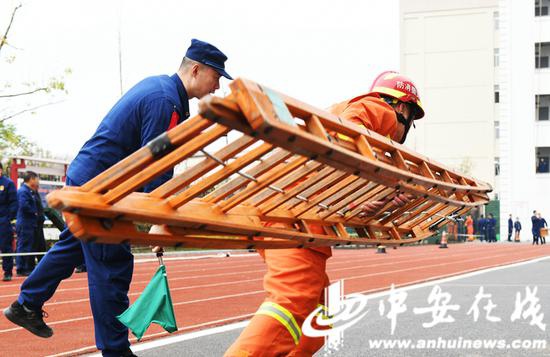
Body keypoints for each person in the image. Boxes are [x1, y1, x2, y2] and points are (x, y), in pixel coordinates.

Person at [3, 39, 232, 357]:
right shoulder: (166, 101)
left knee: (73, 245)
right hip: (101, 188)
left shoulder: (164, 93)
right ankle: (115, 352)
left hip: (92, 178)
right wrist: (157, 220)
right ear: (196, 69)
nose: (218, 84)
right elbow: (156, 163)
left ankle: (26, 304)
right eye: (217, 76)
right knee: (112, 264)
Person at [224, 71, 424, 356]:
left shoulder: (365, 132)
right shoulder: (381, 111)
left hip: (298, 212)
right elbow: (345, 136)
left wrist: (377, 196)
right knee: (291, 305)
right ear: (403, 107)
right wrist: (380, 179)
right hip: (295, 215)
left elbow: (343, 170)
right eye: (412, 121)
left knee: (318, 315)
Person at [15, 171, 40, 276]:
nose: (38, 181)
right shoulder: (23, 191)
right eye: (37, 178)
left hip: (30, 223)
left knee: (29, 245)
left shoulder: (30, 191)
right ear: (31, 179)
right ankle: (21, 268)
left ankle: (27, 266)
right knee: (24, 245)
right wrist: (35, 211)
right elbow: (24, 205)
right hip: (25, 223)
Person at [0, 163, 18, 282]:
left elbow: (13, 203)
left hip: (3, 220)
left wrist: (9, 218)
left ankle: (7, 272)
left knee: (5, 246)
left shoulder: (8, 183)